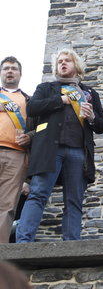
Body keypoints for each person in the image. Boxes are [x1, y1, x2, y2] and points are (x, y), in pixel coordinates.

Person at [16, 49, 103, 242]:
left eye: (67, 61)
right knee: (38, 194)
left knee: (74, 201)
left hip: (78, 153)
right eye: (60, 61)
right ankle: (23, 242)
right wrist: (61, 100)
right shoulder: (46, 88)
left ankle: (71, 244)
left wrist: (91, 117)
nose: (63, 64)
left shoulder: (89, 93)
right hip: (50, 151)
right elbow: (32, 108)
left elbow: (102, 126)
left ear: (77, 66)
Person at [0, 56, 33, 243]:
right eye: (6, 68)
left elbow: (38, 129)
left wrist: (29, 137)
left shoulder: (28, 100)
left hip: (16, 154)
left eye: (13, 68)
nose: (10, 71)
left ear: (20, 74)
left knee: (7, 206)